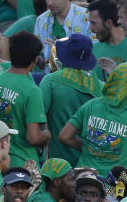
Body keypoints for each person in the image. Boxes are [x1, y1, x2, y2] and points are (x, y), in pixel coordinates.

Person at [59, 62, 127, 177]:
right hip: (113, 187)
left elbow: (64, 136)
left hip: (84, 182)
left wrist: (91, 147)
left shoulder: (91, 105)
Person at [0, 32, 50, 168]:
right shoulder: (32, 90)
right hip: (21, 167)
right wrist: (46, 135)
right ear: (34, 60)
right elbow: (33, 137)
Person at [39, 34, 102, 166]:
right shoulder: (101, 87)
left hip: (57, 168)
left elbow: (40, 121)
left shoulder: (50, 81)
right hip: (90, 166)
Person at [89, 0, 127, 80]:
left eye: (94, 23)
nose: (91, 28)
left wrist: (116, 72)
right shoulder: (94, 50)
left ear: (108, 23)